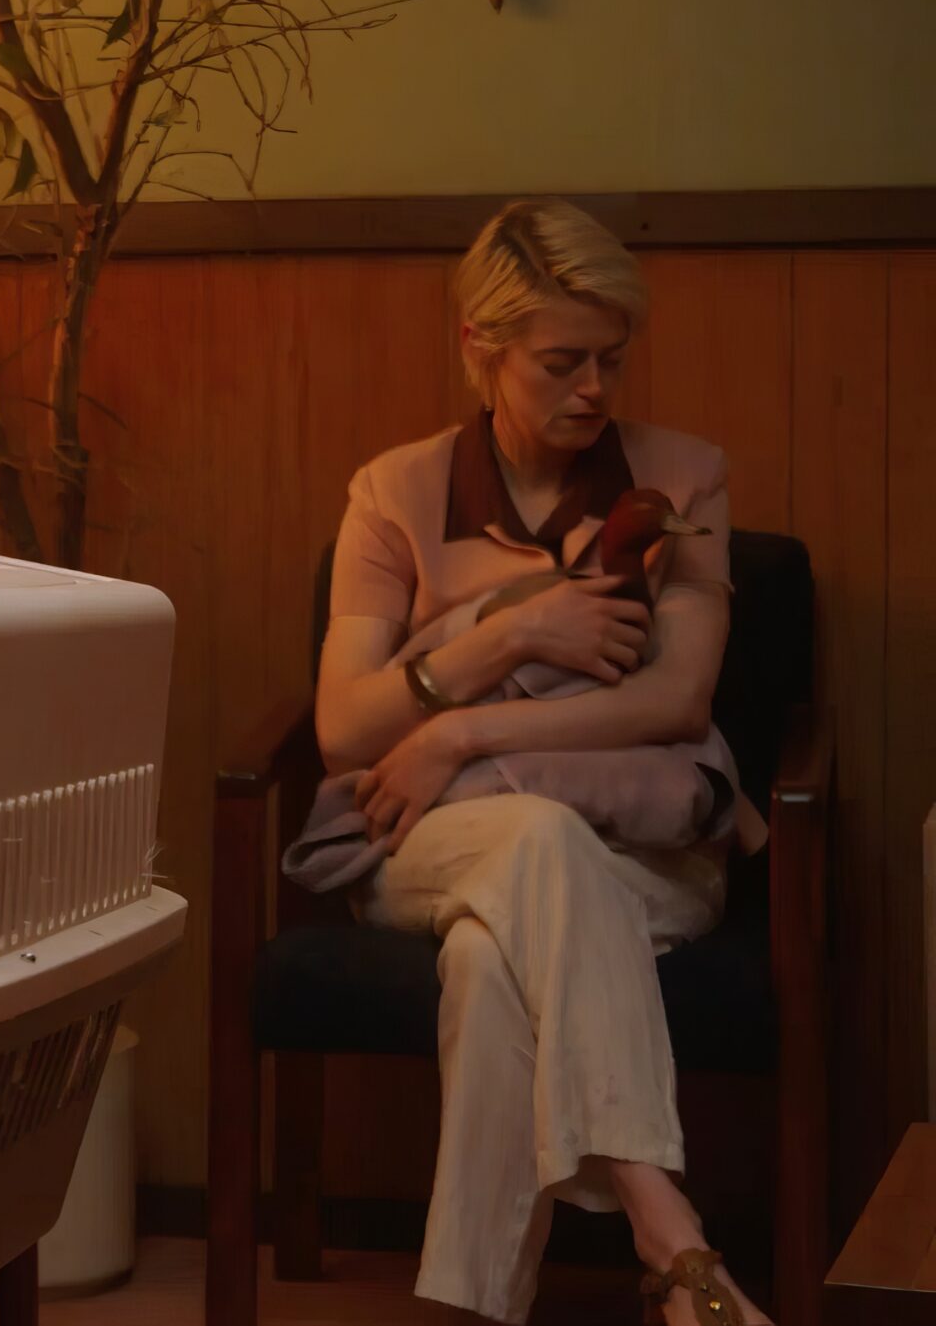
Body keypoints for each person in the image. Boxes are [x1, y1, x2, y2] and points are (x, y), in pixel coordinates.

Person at [315, 199, 768, 1326]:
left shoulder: (684, 479)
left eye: (612, 358)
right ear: (480, 345)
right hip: (426, 839)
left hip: (645, 857)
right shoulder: (392, 493)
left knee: (489, 957)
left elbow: (678, 697)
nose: (594, 389)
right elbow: (344, 729)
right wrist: (514, 632)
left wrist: (461, 734)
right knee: (533, 846)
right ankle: (671, 1239)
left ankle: (472, 1310)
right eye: (562, 362)